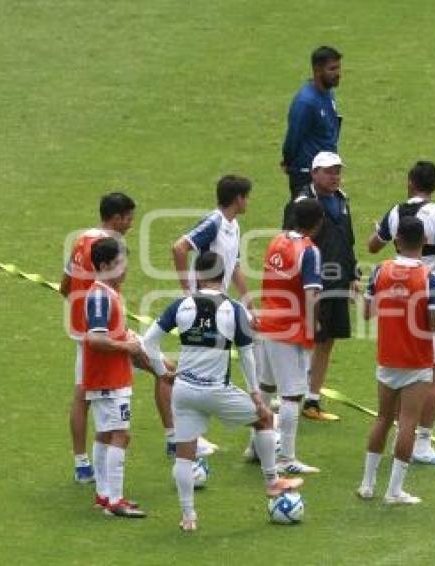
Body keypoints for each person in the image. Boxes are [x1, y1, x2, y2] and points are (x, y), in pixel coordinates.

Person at [141, 251, 304, 532]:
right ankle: (271, 481)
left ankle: (188, 516)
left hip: (184, 390)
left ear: (196, 275)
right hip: (216, 390)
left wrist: (161, 372)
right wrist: (255, 394)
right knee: (263, 419)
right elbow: (247, 355)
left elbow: (148, 342)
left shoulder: (180, 306)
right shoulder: (234, 309)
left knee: (185, 453)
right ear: (224, 276)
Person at [367, 161, 435, 465]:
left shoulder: (395, 212)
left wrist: (380, 229)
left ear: (410, 182)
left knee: (398, 370)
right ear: (434, 187)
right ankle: (421, 443)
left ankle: (401, 438)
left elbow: (373, 247)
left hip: (394, 302)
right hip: (429, 300)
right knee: (434, 370)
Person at [357, 217, 435, 504]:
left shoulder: (380, 271)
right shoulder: (429, 279)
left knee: (382, 419)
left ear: (396, 241)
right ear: (423, 242)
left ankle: (367, 485)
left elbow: (367, 313)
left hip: (388, 357)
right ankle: (394, 491)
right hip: (417, 361)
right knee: (407, 423)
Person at [60, 192, 143, 483]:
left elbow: (65, 285)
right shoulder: (110, 247)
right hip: (98, 332)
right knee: (85, 393)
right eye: (129, 218)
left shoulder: (81, 240)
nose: (131, 224)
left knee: (151, 362)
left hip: (84, 326)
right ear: (116, 217)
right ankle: (85, 465)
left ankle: (86, 462)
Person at [169, 175, 253, 456]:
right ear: (238, 198)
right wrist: (186, 291)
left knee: (214, 358)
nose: (248, 202)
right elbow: (179, 247)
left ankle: (191, 430)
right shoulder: (214, 222)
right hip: (203, 304)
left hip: (222, 302)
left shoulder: (234, 225)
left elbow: (235, 265)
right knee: (199, 360)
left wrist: (248, 301)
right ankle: (186, 433)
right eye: (247, 197)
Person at [283, 151, 360, 421]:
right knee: (306, 339)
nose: (335, 176)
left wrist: (353, 274)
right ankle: (290, 394)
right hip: (312, 283)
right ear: (314, 173)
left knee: (328, 339)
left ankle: (312, 400)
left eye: (337, 171)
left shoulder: (341, 200)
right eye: (328, 171)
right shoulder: (302, 204)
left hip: (338, 280)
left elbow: (347, 239)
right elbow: (291, 241)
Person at [254, 198, 324, 474]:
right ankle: (287, 458)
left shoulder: (277, 242)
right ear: (318, 223)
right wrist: (313, 326)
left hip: (266, 324)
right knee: (292, 395)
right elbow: (310, 294)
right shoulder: (309, 251)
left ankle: (256, 446)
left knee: (264, 389)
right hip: (289, 329)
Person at [82, 237, 147, 517]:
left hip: (110, 377)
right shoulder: (99, 296)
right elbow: (95, 339)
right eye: (121, 263)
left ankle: (104, 495)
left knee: (106, 433)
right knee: (121, 435)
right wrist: (126, 346)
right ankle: (116, 500)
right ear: (106, 265)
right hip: (108, 379)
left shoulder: (108, 293)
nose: (125, 269)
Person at [281, 46, 343, 197]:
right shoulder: (306, 102)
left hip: (326, 172)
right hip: (307, 175)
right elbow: (293, 138)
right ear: (317, 70)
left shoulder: (329, 94)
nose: (338, 74)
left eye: (338, 68)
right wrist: (289, 162)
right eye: (332, 69)